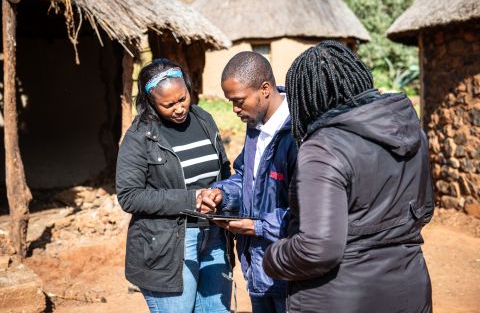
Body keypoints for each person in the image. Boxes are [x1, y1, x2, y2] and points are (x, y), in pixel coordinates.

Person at [262, 40, 434, 313]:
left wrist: (273, 256)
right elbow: (423, 212)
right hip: (409, 288)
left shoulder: (322, 149)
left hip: (342, 297)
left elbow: (318, 249)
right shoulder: (413, 132)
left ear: (305, 97)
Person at [116, 59, 232, 313]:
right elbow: (129, 196)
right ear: (150, 104)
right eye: (168, 105)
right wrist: (191, 199)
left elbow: (223, 170)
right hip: (168, 244)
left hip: (213, 236)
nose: (179, 109)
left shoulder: (203, 119)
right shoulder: (139, 136)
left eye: (183, 98)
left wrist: (222, 194)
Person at [198, 51, 298, 313]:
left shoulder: (298, 133)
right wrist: (222, 195)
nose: (235, 109)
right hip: (258, 267)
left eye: (239, 101)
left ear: (264, 89)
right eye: (230, 102)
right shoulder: (256, 123)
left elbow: (312, 212)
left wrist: (260, 227)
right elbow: (245, 176)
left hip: (291, 271)